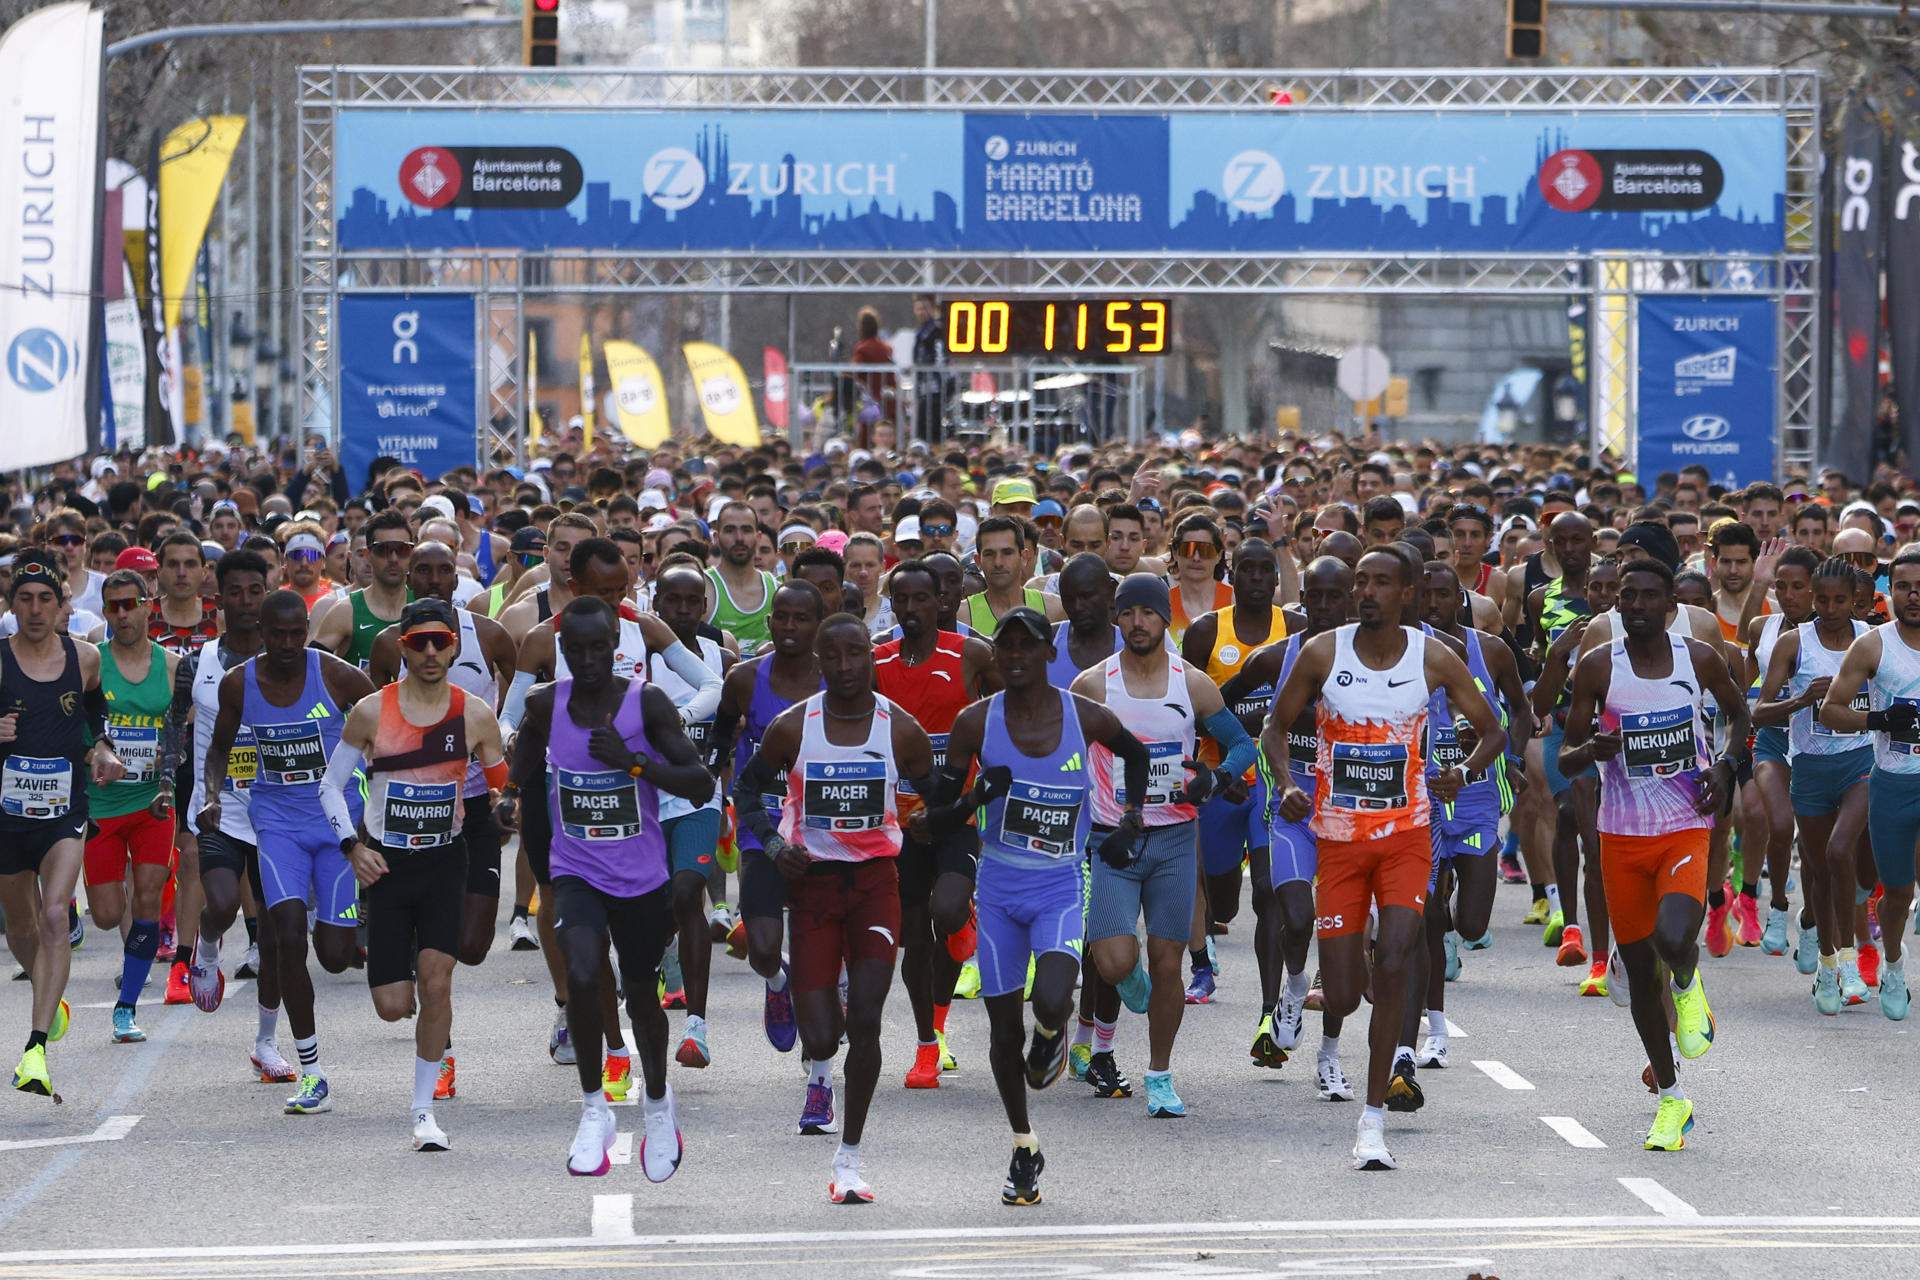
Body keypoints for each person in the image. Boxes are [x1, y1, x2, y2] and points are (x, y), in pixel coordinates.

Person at [1265, 549, 1505, 1170]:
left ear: (1407, 593)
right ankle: (1337, 994)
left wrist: (1462, 770)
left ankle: (1372, 1124)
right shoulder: (1324, 652)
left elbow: (1494, 729)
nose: (1365, 591)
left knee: (1397, 954)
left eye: (1379, 583)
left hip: (1407, 838)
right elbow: (1274, 728)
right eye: (1359, 582)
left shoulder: (1434, 658)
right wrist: (1288, 782)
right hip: (1340, 844)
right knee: (1344, 994)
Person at [731, 611, 946, 1204]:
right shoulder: (791, 727)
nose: (848, 666)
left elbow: (941, 799)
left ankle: (848, 1157)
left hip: (877, 881)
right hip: (815, 887)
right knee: (822, 1037)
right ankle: (818, 1061)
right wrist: (775, 846)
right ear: (820, 663)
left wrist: (943, 829)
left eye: (858, 654)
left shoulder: (898, 730)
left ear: (870, 658)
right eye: (835, 657)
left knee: (867, 1021)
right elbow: (746, 791)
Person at [939, 607, 1149, 1205]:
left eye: (1025, 648)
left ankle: (1053, 1033)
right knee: (1002, 1032)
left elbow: (1135, 754)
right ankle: (1023, 1144)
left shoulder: (1083, 714)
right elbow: (940, 808)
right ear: (995, 657)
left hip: (1060, 882)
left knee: (1053, 998)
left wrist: (1131, 815)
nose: (1014, 658)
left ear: (1044, 654)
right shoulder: (975, 722)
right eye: (1003, 649)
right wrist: (976, 796)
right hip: (1000, 889)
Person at [510, 597, 715, 1179]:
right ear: (562, 652)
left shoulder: (644, 703)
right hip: (576, 869)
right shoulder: (546, 704)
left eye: (600, 647)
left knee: (642, 995)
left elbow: (698, 782)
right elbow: (521, 769)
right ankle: (593, 1107)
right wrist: (505, 800)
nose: (590, 658)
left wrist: (634, 765)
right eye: (576, 650)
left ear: (618, 646)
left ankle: (655, 1103)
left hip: (640, 876)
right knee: (580, 972)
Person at [1558, 558, 1744, 1150]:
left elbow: (1739, 716)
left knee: (1671, 937)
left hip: (1685, 824)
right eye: (1627, 597)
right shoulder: (1596, 668)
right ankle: (1672, 1098)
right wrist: (1593, 746)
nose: (1636, 606)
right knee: (1639, 981)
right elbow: (1565, 758)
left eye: (1649, 597)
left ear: (1671, 605)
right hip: (1621, 837)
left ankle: (1689, 987)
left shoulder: (1700, 658)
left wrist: (1725, 765)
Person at [321, 598, 508, 1151]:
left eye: (440, 641)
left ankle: (424, 1111)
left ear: (455, 645)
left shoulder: (474, 713)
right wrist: (352, 846)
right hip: (387, 865)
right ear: (402, 646)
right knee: (393, 1006)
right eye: (418, 642)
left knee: (438, 981)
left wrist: (508, 804)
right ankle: (401, 972)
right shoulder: (372, 712)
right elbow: (330, 786)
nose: (430, 651)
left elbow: (502, 783)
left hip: (446, 860)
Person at [1072, 573, 1258, 1120]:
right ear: (1116, 618)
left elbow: (1244, 745)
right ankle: (1130, 985)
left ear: (1163, 619)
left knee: (1168, 961)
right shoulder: (1092, 685)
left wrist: (1217, 778)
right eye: (1128, 613)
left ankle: (1159, 1074)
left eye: (1148, 613)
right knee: (1112, 960)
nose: (1137, 623)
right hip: (1115, 841)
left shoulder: (1192, 684)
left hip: (1175, 839)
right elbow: (1063, 755)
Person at [201, 589, 375, 1116]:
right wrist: (212, 793)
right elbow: (219, 749)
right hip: (275, 821)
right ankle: (312, 1071)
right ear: (260, 632)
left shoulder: (338, 676)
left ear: (307, 628)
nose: (286, 644)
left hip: (335, 820)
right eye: (275, 634)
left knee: (336, 955)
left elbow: (384, 729)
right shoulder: (240, 684)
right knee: (287, 937)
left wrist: (379, 803)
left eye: (296, 633)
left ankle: (337, 911)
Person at [366, 541, 518, 1099]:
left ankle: (423, 952)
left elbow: (515, 689)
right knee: (435, 971)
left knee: (474, 944)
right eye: (421, 571)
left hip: (475, 809)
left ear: (457, 581)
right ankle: (443, 1052)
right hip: (408, 819)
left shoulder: (491, 635)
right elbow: (377, 718)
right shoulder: (389, 645)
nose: (432, 579)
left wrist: (505, 767)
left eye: (441, 571)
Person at [2, 552, 126, 1096]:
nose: (34, 609)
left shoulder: (87, 659)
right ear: (12, 607)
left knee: (55, 915)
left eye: (44, 600)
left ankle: (34, 1050)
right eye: (24, 599)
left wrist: (102, 745)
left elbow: (96, 712)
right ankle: (51, 1003)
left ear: (60, 608)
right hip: (6, 818)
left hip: (64, 813)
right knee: (21, 928)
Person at [874, 559, 995, 1088]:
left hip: (954, 815)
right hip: (897, 824)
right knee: (915, 942)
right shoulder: (876, 660)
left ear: (941, 601)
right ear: (893, 604)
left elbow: (1000, 717)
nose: (913, 609)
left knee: (947, 914)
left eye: (923, 598)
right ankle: (929, 1043)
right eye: (902, 600)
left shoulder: (970, 654)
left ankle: (964, 917)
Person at [708, 581, 824, 1086]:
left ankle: (819, 1032)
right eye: (783, 617)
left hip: (824, 831)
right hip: (763, 828)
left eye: (802, 618)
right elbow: (721, 737)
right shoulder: (744, 678)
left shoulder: (836, 679)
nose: (791, 627)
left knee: (820, 943)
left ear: (818, 624)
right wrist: (711, 786)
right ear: (770, 623)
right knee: (760, 947)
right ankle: (779, 982)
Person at [1757, 556, 1876, 1010]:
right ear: (1811, 598)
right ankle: (1826, 963)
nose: (1829, 608)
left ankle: (1849, 959)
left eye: (1839, 600)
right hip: (1808, 765)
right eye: (1821, 599)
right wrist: (1802, 699)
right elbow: (1759, 711)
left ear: (1855, 601)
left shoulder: (1870, 641)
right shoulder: (1795, 643)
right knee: (1821, 871)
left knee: (1840, 850)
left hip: (1860, 761)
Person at [1181, 538, 1293, 1003]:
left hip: (1272, 781)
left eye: (1265, 570)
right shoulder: (1207, 632)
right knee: (1222, 899)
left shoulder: (1296, 628)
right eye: (1246, 570)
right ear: (1232, 574)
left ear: (1275, 578)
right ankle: (1206, 948)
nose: (1256, 579)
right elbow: (1185, 708)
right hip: (1220, 781)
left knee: (1266, 889)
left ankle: (1267, 989)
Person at [84, 570, 186, 1044]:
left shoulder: (170, 665)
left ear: (149, 605)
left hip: (151, 803)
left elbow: (176, 732)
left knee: (148, 897)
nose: (122, 614)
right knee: (106, 914)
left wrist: (168, 779)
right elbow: (77, 721)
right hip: (102, 805)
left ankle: (126, 1008)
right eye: (113, 606)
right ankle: (128, 938)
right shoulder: (91, 661)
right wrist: (95, 751)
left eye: (130, 604)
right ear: (105, 611)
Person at [1818, 549, 1920, 1020]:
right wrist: (1880, 718)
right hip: (1894, 783)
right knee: (1896, 890)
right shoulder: (1874, 646)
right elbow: (1831, 710)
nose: (1914, 595)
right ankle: (1894, 963)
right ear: (1889, 591)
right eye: (1904, 587)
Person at [644, 560, 735, 1069]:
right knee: (653, 907)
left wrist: (715, 766)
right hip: (645, 801)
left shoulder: (720, 657)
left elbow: (727, 722)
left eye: (691, 601)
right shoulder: (638, 658)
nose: (681, 610)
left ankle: (696, 1027)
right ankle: (643, 970)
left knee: (686, 891)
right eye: (671, 601)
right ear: (655, 604)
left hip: (698, 799)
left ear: (705, 606)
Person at [313, 508, 412, 669]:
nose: (394, 558)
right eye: (384, 549)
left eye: (402, 549)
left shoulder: (423, 607)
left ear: (412, 553)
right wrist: (354, 681)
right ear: (367, 555)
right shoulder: (345, 611)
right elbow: (310, 670)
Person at [964, 518, 1062, 633]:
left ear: (1024, 557)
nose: (998, 563)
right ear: (978, 561)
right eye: (989, 554)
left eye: (1007, 553)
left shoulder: (1054, 609)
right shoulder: (963, 615)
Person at [707, 501, 780, 655]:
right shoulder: (704, 587)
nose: (739, 538)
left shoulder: (776, 589)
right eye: (730, 530)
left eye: (746, 530)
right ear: (716, 537)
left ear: (758, 537)